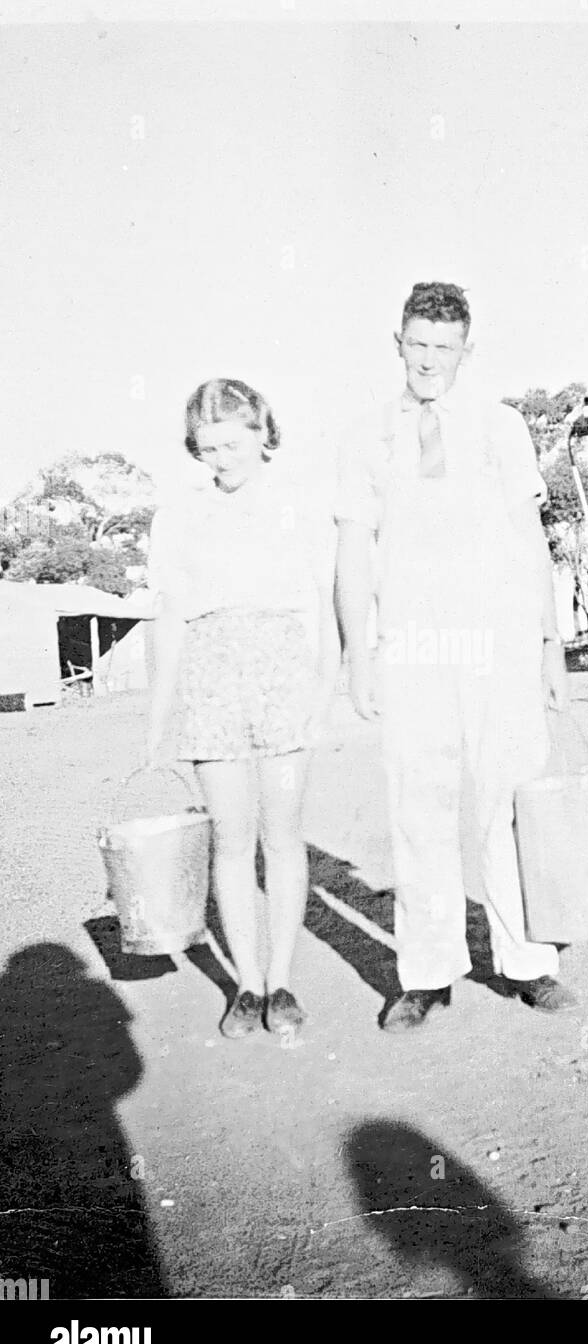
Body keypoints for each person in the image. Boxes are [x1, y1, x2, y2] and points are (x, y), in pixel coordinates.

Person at [335, 282, 579, 1032]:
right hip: (412, 645)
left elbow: (528, 541)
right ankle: (426, 974)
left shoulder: (500, 427)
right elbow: (351, 548)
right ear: (397, 343)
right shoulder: (366, 433)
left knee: (506, 800)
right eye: (417, 344)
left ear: (465, 352)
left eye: (444, 347)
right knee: (419, 807)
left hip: (496, 640)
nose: (429, 360)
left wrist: (548, 644)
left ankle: (530, 963)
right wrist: (357, 653)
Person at [146, 379, 339, 1040]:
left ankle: (282, 981)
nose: (220, 459)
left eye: (231, 443)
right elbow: (169, 619)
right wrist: (157, 721)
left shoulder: (298, 506)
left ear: (262, 432)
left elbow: (325, 605)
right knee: (229, 839)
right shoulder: (177, 516)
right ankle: (246, 986)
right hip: (209, 673)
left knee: (281, 835)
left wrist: (324, 688)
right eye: (206, 448)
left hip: (282, 668)